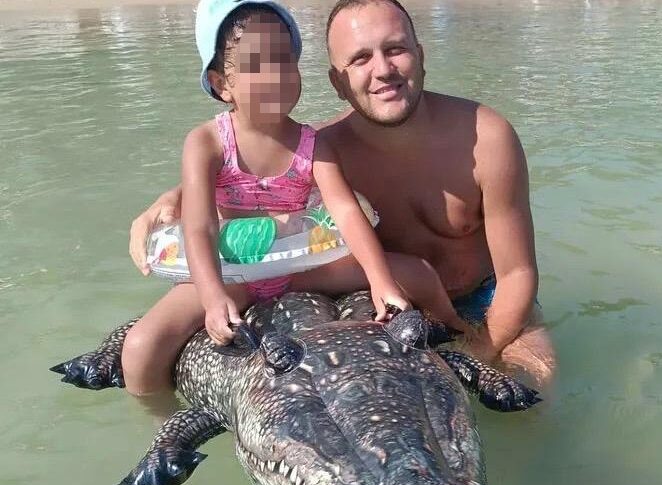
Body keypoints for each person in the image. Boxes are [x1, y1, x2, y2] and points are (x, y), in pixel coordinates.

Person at [130, 0, 556, 388]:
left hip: (486, 304)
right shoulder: (327, 146)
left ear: (421, 56)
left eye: (396, 49)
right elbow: (250, 168)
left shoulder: (486, 138)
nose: (383, 69)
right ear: (337, 81)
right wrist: (169, 200)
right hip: (388, 302)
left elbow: (518, 275)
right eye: (360, 58)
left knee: (535, 384)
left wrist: (480, 349)